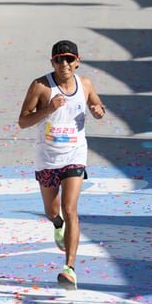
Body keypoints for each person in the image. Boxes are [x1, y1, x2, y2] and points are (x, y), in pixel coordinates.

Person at [17, 40, 106, 290]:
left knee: (70, 209)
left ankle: (70, 269)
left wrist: (98, 111)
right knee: (53, 212)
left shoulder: (85, 84)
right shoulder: (40, 86)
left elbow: (96, 104)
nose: (64, 64)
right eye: (59, 60)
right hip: (47, 158)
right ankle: (57, 226)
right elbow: (23, 121)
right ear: (52, 62)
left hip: (74, 155)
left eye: (69, 59)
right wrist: (47, 109)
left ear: (77, 61)